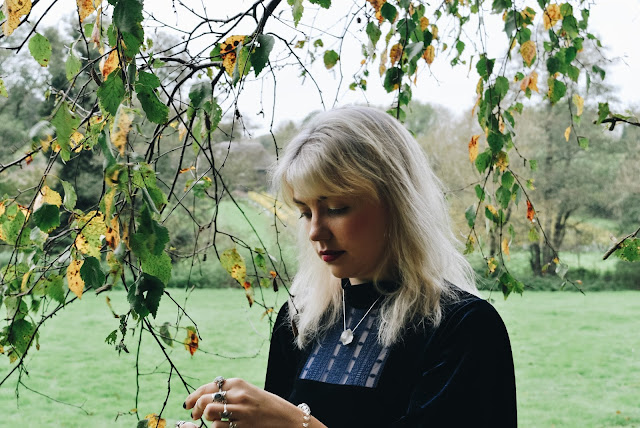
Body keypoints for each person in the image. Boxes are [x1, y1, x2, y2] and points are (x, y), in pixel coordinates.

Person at [178, 106, 517, 427]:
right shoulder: (300, 319)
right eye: (305, 212)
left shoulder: (465, 328)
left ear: (397, 204)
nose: (315, 231)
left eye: (337, 208)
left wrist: (297, 423)